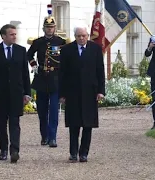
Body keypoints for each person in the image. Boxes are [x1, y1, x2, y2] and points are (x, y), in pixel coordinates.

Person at [0, 24, 31, 163]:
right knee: (1, 123)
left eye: (15, 34)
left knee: (15, 123)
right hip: (0, 93)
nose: (14, 36)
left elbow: (25, 74)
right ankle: (3, 149)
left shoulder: (21, 51)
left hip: (16, 93)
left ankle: (14, 150)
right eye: (11, 34)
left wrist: (27, 93)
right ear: (3, 36)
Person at [58, 25, 105, 162]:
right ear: (75, 36)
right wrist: (62, 94)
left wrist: (101, 91)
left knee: (88, 124)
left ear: (87, 36)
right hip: (72, 92)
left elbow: (100, 71)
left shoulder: (95, 49)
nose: (81, 38)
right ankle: (73, 152)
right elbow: (62, 74)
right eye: (79, 36)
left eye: (84, 35)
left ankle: (84, 153)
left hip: (90, 92)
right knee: (74, 124)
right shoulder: (67, 50)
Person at [26, 4, 69, 147]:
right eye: (47, 27)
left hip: (55, 79)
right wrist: (34, 65)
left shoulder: (61, 42)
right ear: (44, 28)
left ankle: (53, 137)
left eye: (51, 27)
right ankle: (44, 136)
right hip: (41, 79)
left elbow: (66, 58)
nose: (49, 29)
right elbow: (29, 54)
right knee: (42, 110)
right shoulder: (38, 42)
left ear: (55, 28)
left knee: (54, 111)